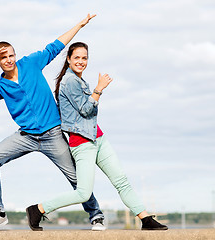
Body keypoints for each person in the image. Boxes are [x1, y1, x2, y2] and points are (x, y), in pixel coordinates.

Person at [0, 15, 106, 231]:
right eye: (3, 57)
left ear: (15, 55)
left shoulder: (30, 63)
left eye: (11, 55)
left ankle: (96, 215)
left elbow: (56, 46)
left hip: (52, 134)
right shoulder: (0, 85)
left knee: (76, 178)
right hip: (25, 136)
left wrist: (80, 25)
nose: (8, 59)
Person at [26, 42, 168, 231]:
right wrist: (99, 89)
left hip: (98, 138)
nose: (81, 61)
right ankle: (38, 209)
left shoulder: (79, 80)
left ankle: (145, 219)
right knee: (83, 193)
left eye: (84, 58)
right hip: (82, 143)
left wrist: (96, 90)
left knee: (121, 181)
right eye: (76, 57)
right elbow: (85, 110)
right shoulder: (69, 81)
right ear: (68, 59)